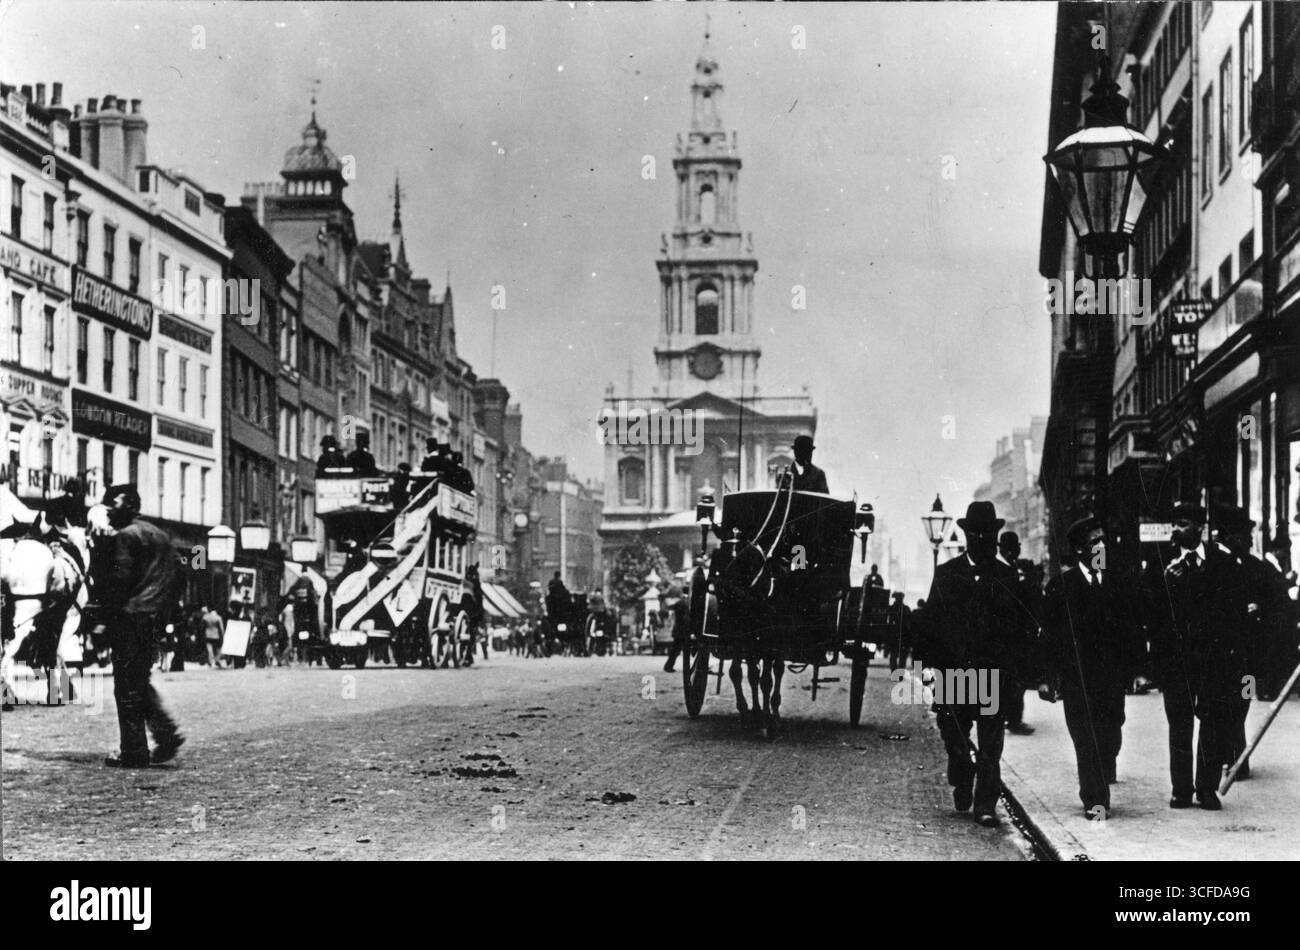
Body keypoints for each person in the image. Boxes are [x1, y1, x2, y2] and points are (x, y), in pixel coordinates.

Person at [916, 501, 1028, 827]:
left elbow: (1018, 631)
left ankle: (985, 806)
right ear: (967, 536)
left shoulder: (1007, 577)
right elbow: (930, 625)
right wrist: (928, 665)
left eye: (989, 534)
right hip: (955, 674)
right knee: (955, 737)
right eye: (977, 533)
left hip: (994, 676)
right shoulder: (947, 574)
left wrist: (1017, 673)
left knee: (992, 745)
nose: (983, 539)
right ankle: (962, 776)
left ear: (995, 537)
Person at [1039, 515, 1137, 819]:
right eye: (1096, 541)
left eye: (1103, 539)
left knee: (1111, 734)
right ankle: (1094, 798)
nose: (1103, 545)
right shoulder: (1061, 587)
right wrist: (1046, 678)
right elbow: (1049, 637)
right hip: (1077, 678)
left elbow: (1131, 629)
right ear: (1081, 549)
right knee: (1085, 738)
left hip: (1111, 679)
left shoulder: (1118, 582)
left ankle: (1104, 770)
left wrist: (1135, 670)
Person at [1154, 502, 1247, 810]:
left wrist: (1234, 658)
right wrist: (1169, 584)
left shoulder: (1223, 563)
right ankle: (1180, 789)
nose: (1176, 530)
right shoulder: (1163, 564)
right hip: (1177, 660)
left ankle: (1205, 789)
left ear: (1199, 527)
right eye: (1174, 524)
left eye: (1182, 523)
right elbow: (1153, 614)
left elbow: (1234, 614)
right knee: (1179, 724)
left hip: (1214, 660)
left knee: (1213, 723)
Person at [95, 484, 184, 768]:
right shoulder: (161, 536)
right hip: (155, 617)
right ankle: (166, 733)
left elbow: (120, 580)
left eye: (113, 504)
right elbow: (179, 577)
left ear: (131, 507)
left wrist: (101, 619)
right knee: (140, 680)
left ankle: (134, 752)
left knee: (126, 687)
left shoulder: (125, 536)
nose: (107, 509)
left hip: (130, 617)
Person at [1213, 505, 1287, 779]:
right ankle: (1233, 757)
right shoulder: (1214, 566)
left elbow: (1280, 604)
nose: (1248, 540)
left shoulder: (1258, 568)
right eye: (1244, 534)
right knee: (1224, 705)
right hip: (1221, 655)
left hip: (1248, 658)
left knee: (1240, 704)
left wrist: (1261, 610)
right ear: (1232, 537)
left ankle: (1236, 757)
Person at [998, 530, 1042, 736]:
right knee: (1012, 681)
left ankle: (1012, 717)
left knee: (1017, 681)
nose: (1016, 551)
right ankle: (1011, 719)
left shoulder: (1017, 568)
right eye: (1014, 547)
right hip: (1006, 637)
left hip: (1019, 638)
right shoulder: (1002, 570)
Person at [662, 584, 688, 672]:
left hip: (678, 630)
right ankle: (668, 666)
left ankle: (668, 666)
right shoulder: (689, 602)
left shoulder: (679, 603)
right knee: (677, 650)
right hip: (685, 630)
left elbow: (670, 608)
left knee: (675, 650)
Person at [884, 592, 911, 671]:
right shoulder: (906, 608)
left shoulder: (891, 608)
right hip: (904, 635)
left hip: (893, 634)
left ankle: (894, 672)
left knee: (893, 655)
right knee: (902, 656)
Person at [201, 604, 224, 668]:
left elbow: (202, 627)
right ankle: (217, 660)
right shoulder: (218, 617)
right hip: (216, 635)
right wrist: (222, 635)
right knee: (218, 649)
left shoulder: (205, 617)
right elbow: (221, 628)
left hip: (207, 634)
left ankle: (211, 662)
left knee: (209, 649)